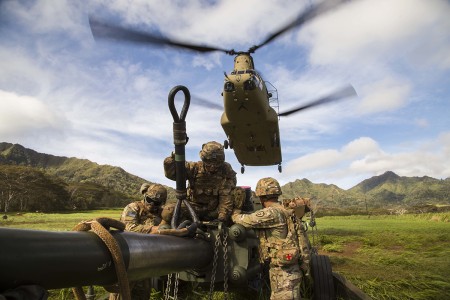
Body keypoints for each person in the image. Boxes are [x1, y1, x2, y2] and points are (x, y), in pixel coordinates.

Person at [231, 177, 302, 300]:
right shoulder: (287, 211)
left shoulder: (270, 213)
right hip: (288, 270)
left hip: (283, 274)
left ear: (262, 196)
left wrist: (236, 210)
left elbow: (242, 221)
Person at [163, 141, 237, 223]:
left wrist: (221, 218)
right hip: (193, 209)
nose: (212, 167)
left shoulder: (225, 171)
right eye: (208, 162)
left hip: (214, 212)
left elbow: (226, 196)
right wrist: (172, 161)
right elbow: (173, 175)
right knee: (168, 212)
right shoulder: (194, 168)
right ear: (203, 159)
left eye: (216, 164)